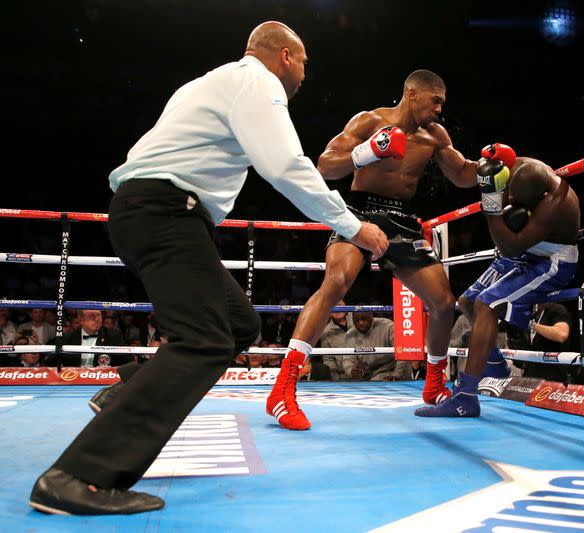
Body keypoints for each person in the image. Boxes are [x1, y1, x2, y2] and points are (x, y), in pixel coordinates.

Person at [29, 21, 388, 516]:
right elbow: (285, 166)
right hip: (164, 210)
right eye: (303, 63)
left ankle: (126, 393)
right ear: (284, 55)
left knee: (240, 324)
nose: (305, 76)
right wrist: (352, 226)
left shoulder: (208, 82)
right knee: (204, 340)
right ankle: (80, 475)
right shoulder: (257, 82)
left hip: (155, 211)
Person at [266, 69, 482, 429]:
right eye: (435, 101)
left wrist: (488, 167)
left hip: (402, 221)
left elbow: (461, 174)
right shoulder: (370, 121)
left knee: (444, 303)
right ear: (412, 93)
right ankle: (283, 389)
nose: (439, 110)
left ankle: (433, 385)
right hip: (359, 212)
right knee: (336, 282)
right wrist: (367, 152)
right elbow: (325, 166)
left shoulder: (435, 136)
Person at [416, 154, 580, 417]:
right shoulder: (520, 167)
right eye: (509, 194)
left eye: (516, 200)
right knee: (466, 301)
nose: (511, 202)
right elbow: (496, 160)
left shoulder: (554, 203)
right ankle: (494, 362)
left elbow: (508, 246)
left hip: (552, 259)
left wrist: (491, 206)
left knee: (487, 303)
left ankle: (466, 397)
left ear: (539, 197)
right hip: (525, 252)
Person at [509, 302, 573, 382]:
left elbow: (562, 335)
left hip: (552, 374)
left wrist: (531, 325)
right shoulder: (534, 314)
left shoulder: (556, 310)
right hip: (531, 371)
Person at [43, 309, 129, 368]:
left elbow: (127, 362)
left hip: (102, 382)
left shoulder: (113, 336)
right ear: (81, 320)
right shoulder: (68, 338)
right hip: (72, 381)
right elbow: (48, 362)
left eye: (98, 315)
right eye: (91, 316)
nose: (96, 319)